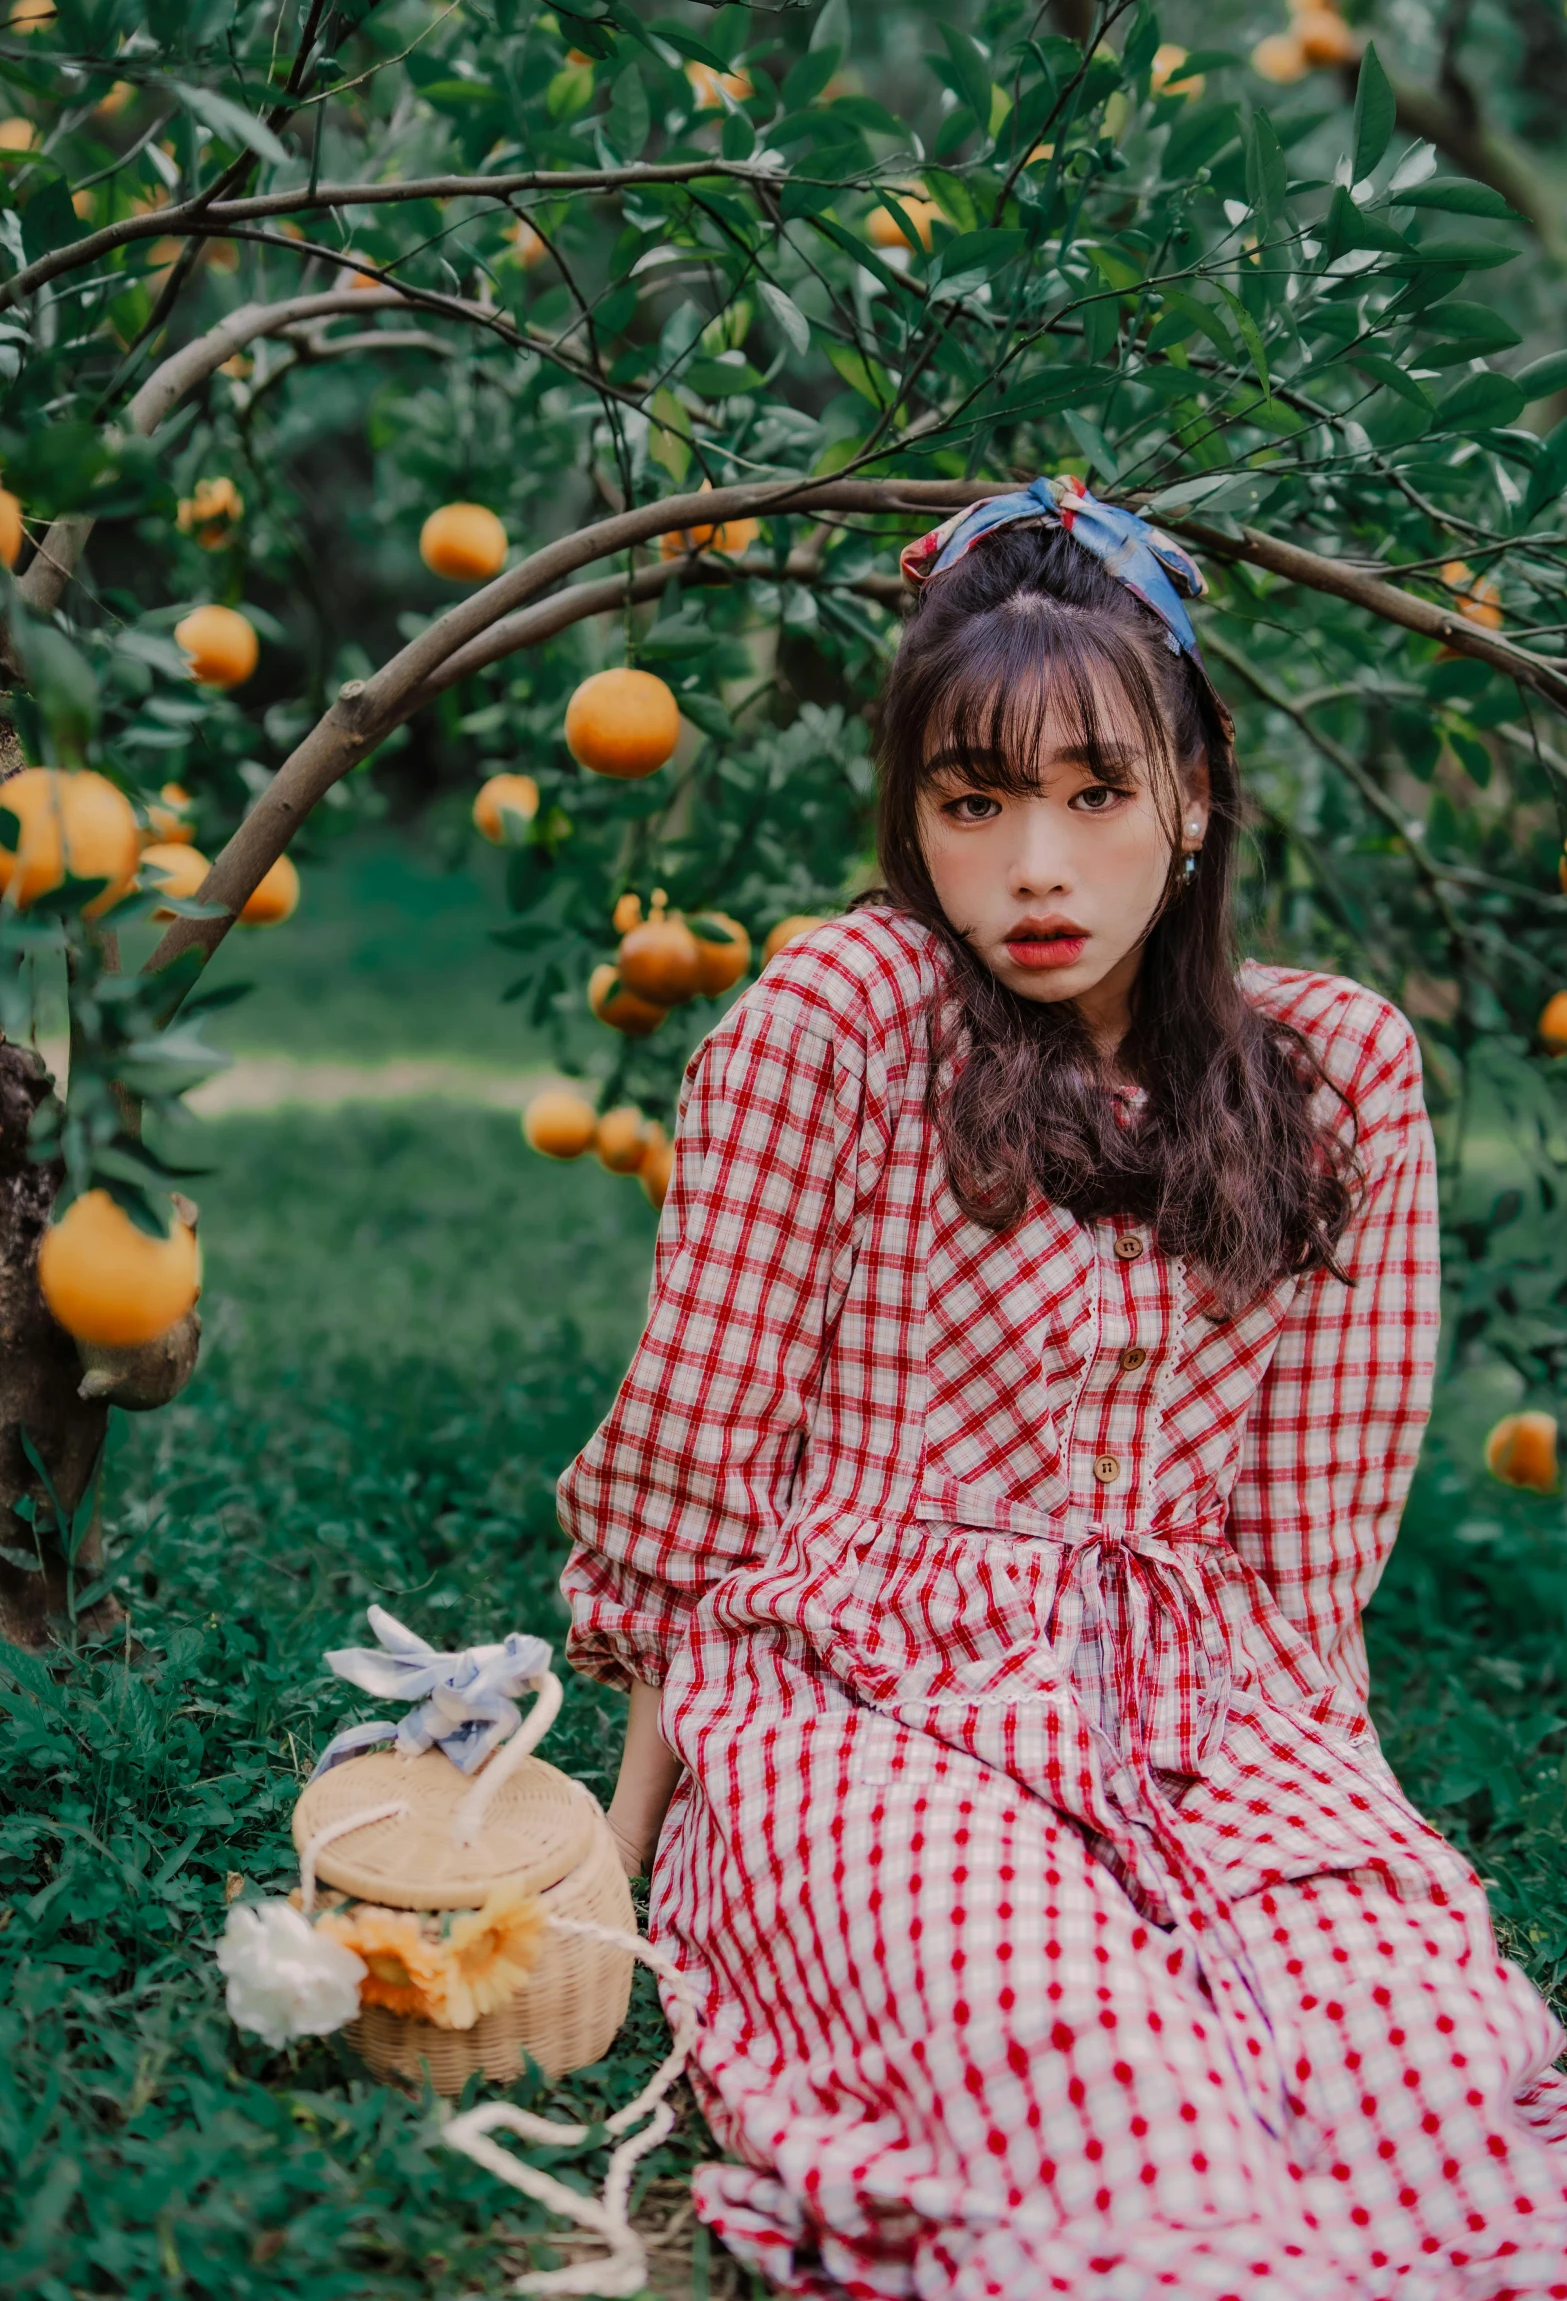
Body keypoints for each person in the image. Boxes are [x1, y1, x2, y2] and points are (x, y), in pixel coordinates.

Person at [558, 478, 1567, 2299]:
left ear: (1192, 799)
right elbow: (699, 1467)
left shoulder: (1333, 1070)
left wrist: (1308, 1803)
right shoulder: (845, 1023)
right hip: (869, 1697)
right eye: (975, 801)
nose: (1036, 865)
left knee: (1408, 2065)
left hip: (1213, 1711)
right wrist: (609, 1856)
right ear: (912, 816)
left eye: (1096, 793)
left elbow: (1309, 1540)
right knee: (1089, 2077)